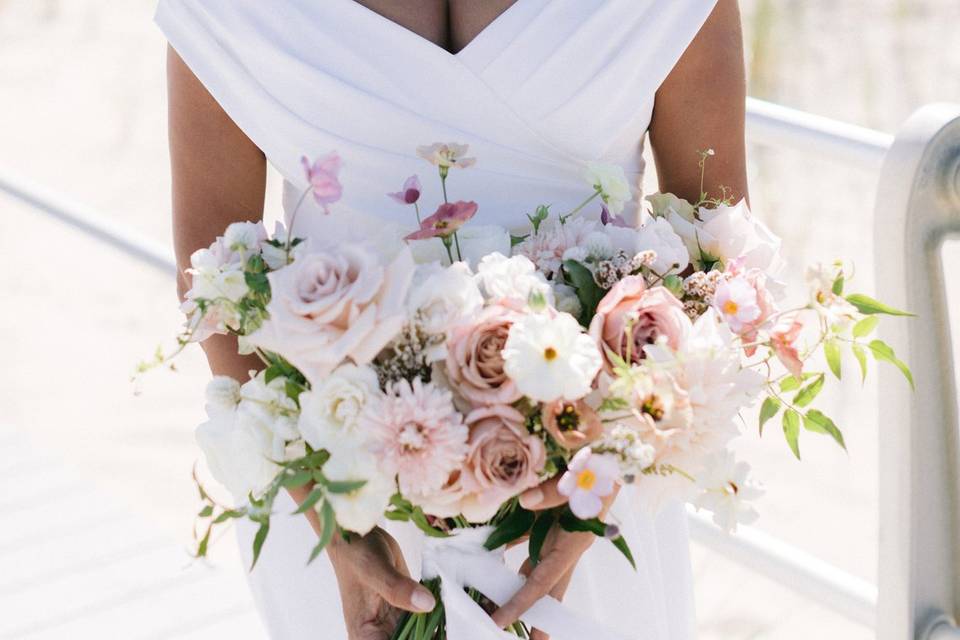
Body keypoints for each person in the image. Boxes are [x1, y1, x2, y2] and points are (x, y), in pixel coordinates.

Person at [159, 1, 748, 638]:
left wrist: (600, 478)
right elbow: (212, 261)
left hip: (589, 491)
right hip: (336, 488)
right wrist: (322, 509)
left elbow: (715, 249)